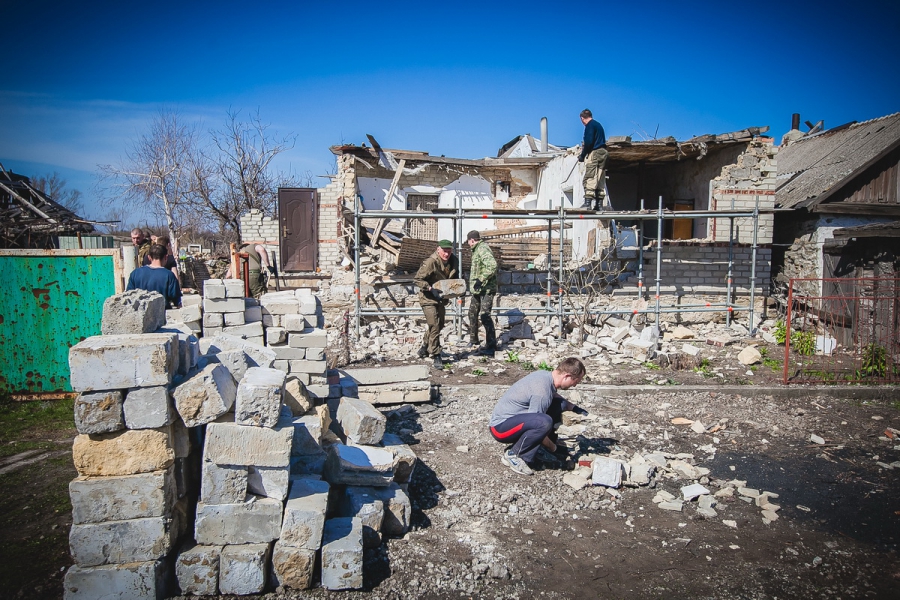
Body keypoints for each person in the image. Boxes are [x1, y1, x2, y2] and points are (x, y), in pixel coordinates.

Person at [489, 357, 587, 476]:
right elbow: (538, 423)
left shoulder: (545, 376)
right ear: (566, 376)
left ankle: (537, 448)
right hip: (500, 429)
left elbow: (555, 396)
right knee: (543, 422)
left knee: (559, 405)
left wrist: (574, 408)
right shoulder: (542, 393)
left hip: (513, 422)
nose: (575, 385)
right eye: (576, 381)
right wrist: (554, 448)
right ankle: (515, 455)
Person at [413, 239, 459, 369]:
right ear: (438, 249)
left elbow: (456, 277)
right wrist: (430, 289)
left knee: (439, 324)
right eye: (444, 251)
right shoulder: (430, 262)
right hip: (428, 298)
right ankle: (435, 353)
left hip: (441, 298)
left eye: (449, 251)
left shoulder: (453, 261)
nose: (446, 254)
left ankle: (425, 346)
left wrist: (459, 288)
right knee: (434, 324)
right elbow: (417, 279)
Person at [466, 230, 498, 356]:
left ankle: (491, 345)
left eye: (468, 242)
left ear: (472, 240)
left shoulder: (482, 249)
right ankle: (474, 340)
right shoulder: (476, 250)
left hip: (486, 289)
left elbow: (492, 265)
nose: (468, 244)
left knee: (485, 316)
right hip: (478, 290)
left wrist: (481, 279)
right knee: (472, 313)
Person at [126, 243, 182, 308]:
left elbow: (129, 295)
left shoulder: (135, 273)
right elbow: (176, 299)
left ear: (149, 257)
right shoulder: (169, 275)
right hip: (161, 314)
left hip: (140, 313)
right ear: (166, 257)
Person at [578, 109, 608, 211]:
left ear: (582, 118)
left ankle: (587, 204)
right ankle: (599, 205)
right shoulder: (598, 125)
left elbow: (589, 142)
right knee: (600, 177)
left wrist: (582, 155)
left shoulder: (589, 126)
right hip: (603, 153)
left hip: (595, 152)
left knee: (590, 177)